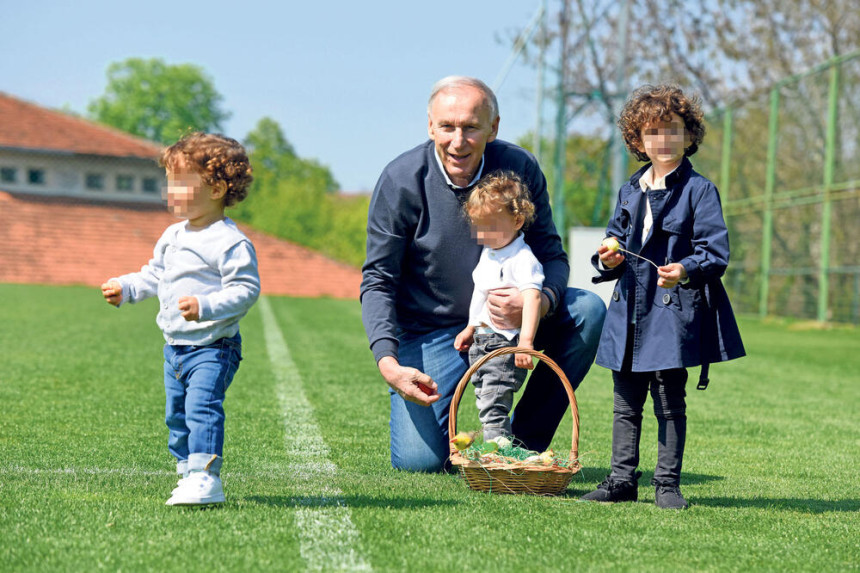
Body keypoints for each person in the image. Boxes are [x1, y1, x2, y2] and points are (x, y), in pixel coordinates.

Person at [360, 75, 606, 472]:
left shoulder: (519, 167)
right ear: (430, 126)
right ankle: (472, 433)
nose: (458, 141)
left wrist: (540, 303)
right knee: (418, 463)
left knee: (588, 310)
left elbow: (553, 257)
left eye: (471, 127)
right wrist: (387, 361)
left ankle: (518, 444)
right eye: (447, 127)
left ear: (493, 127)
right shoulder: (401, 180)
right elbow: (378, 280)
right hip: (433, 333)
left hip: (512, 325)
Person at [580, 85, 745, 509]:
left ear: (690, 136)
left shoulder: (700, 190)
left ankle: (667, 485)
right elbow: (613, 244)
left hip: (671, 314)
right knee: (624, 402)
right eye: (652, 132)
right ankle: (620, 482)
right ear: (638, 141)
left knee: (670, 401)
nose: (663, 140)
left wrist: (685, 269)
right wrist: (607, 258)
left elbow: (715, 252)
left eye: (673, 130)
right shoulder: (629, 190)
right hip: (628, 313)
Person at [101, 132, 259, 506]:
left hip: (213, 347)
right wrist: (126, 288)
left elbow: (245, 290)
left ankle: (206, 478)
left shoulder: (229, 242)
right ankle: (187, 472)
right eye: (169, 182)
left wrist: (205, 306)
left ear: (217, 187)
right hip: (174, 349)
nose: (169, 191)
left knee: (201, 408)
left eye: (180, 183)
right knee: (177, 416)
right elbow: (155, 275)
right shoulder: (173, 235)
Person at [453, 172, 544, 442]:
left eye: (490, 227)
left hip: (504, 344)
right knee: (485, 400)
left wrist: (525, 343)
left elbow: (533, 298)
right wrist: (471, 326)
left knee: (494, 405)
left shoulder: (522, 258)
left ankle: (498, 456)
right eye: (479, 227)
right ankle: (498, 451)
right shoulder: (490, 253)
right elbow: (480, 292)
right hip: (482, 342)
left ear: (517, 220)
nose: (483, 235)